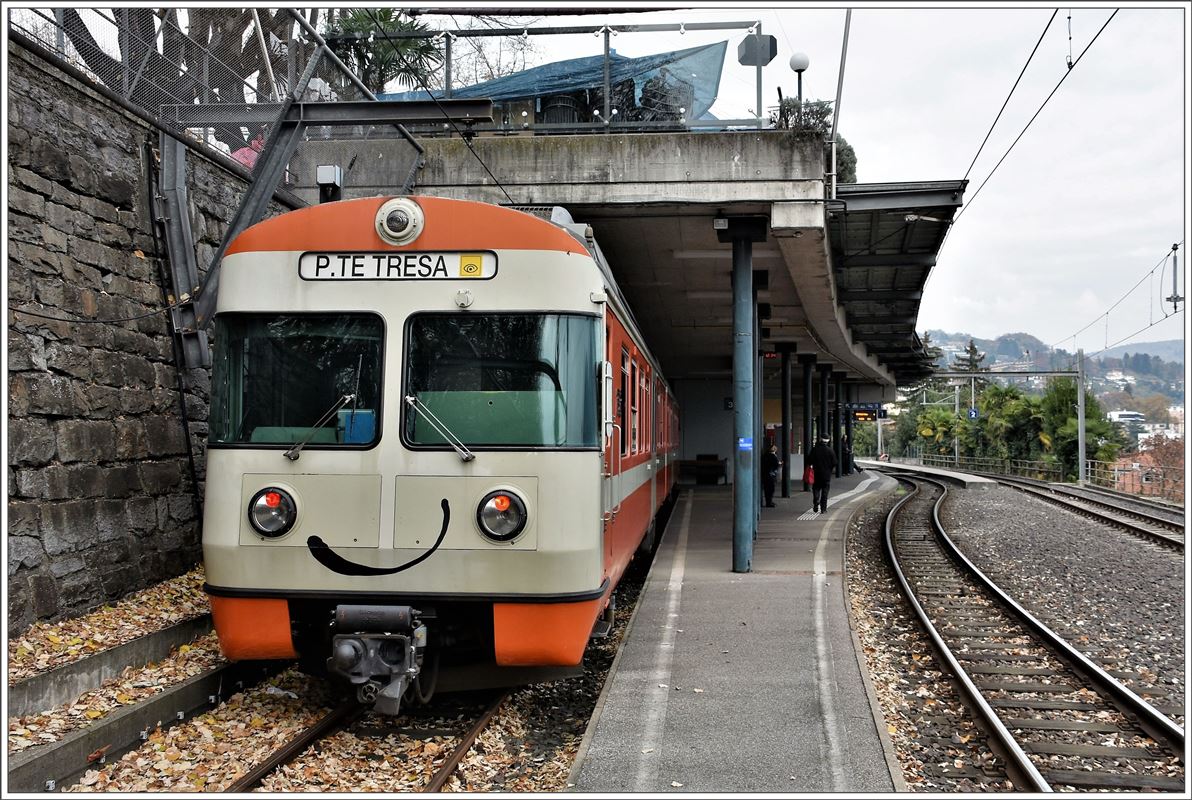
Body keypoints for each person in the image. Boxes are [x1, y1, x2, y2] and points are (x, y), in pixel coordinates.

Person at [809, 434, 838, 514]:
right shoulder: (830, 451)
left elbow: (809, 460)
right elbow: (835, 462)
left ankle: (816, 500)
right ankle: (823, 509)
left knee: (816, 488)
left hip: (817, 473)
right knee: (825, 492)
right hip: (826, 475)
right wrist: (829, 468)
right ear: (828, 441)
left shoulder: (815, 449)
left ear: (820, 439)